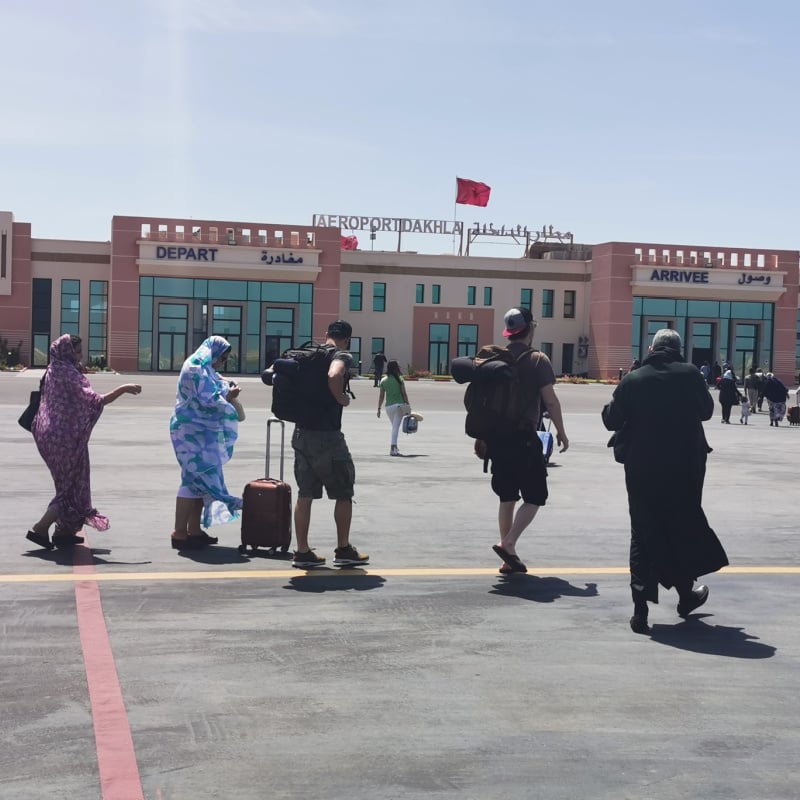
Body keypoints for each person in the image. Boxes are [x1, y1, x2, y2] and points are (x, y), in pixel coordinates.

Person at [601, 329, 728, 634]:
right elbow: (707, 412)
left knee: (642, 532)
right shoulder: (690, 374)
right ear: (679, 349)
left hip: (643, 469)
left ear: (651, 348)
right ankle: (685, 596)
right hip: (685, 468)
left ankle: (640, 611)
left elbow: (611, 420)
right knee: (681, 525)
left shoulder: (634, 378)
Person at [26, 334, 142, 550]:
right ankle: (40, 528)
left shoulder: (54, 368)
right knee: (69, 489)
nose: (80, 356)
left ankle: (64, 532)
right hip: (65, 439)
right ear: (68, 352)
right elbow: (96, 400)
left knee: (67, 483)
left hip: (48, 435)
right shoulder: (68, 373)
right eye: (77, 352)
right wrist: (123, 388)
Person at [485, 308, 569, 575]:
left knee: (507, 496)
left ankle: (507, 558)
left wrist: (482, 437)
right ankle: (508, 543)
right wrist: (561, 431)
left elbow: (485, 403)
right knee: (535, 495)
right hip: (523, 438)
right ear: (530, 327)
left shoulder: (495, 359)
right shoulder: (537, 360)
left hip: (497, 438)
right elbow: (550, 400)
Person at [291, 320, 369, 568]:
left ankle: (302, 551)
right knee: (343, 493)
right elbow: (334, 373)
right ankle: (343, 548)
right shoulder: (342, 355)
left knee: (305, 494)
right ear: (347, 338)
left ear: (326, 335)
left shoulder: (305, 354)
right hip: (327, 435)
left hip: (301, 432)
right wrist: (340, 397)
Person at [170, 336, 243, 550]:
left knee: (199, 481)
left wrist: (225, 385)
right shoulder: (195, 368)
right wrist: (229, 397)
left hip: (201, 432)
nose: (222, 362)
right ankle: (180, 532)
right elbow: (209, 401)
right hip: (191, 432)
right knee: (191, 479)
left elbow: (215, 382)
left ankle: (193, 530)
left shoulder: (203, 366)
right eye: (222, 358)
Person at [377, 359, 410, 456]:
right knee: (395, 428)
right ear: (396, 368)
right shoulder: (399, 379)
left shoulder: (383, 380)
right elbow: (404, 394)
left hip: (388, 408)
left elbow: (381, 396)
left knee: (394, 427)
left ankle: (395, 447)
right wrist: (408, 405)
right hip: (399, 406)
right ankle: (393, 448)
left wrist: (379, 408)